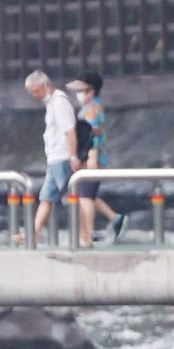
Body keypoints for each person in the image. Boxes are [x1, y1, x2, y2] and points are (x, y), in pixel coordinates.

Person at [65, 72, 129, 245]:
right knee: (88, 195)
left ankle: (89, 233)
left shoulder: (92, 110)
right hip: (91, 158)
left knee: (85, 197)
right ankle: (116, 218)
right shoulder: (89, 108)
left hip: (93, 159)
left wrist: (91, 158)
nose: (78, 94)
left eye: (81, 90)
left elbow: (90, 137)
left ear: (91, 91)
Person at [22, 70, 82, 246]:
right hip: (54, 157)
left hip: (62, 157)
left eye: (36, 90)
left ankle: (86, 233)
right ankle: (33, 234)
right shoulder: (52, 103)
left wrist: (73, 156)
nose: (35, 95)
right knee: (46, 198)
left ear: (46, 85)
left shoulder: (59, 102)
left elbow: (70, 131)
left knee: (71, 198)